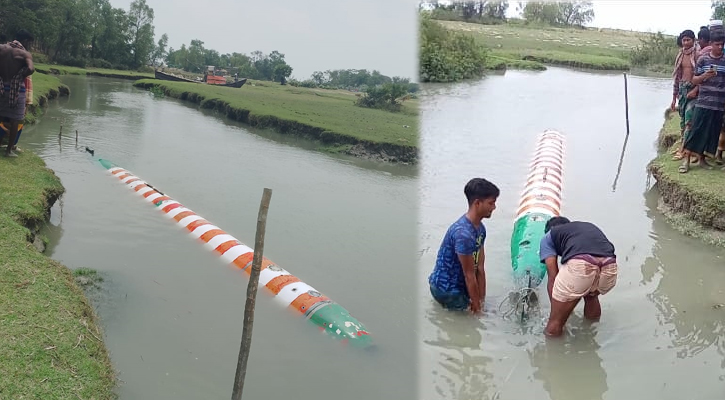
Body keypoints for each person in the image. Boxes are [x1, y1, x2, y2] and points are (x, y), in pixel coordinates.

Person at [428, 178, 499, 315]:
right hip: (446, 289)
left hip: (462, 283)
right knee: (475, 319)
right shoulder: (463, 234)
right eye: (491, 203)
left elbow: (480, 268)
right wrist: (478, 312)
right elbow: (469, 275)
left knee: (485, 311)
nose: (494, 207)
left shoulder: (480, 229)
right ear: (477, 203)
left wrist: (481, 303)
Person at [539, 217, 617, 337]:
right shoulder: (582, 229)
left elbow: (552, 277)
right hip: (609, 265)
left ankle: (553, 352)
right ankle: (590, 335)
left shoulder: (548, 236)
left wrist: (558, 310)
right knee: (591, 297)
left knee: (555, 323)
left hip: (581, 264)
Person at [679, 29, 725, 173]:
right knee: (696, 130)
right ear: (711, 44)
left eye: (722, 44)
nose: (720, 47)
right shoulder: (703, 60)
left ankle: (702, 159)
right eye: (717, 44)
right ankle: (686, 160)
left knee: (711, 132)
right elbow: (694, 79)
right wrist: (705, 75)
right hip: (704, 101)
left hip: (719, 104)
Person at [0, 33, 34, 157]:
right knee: (15, 119)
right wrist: (19, 76)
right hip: (17, 89)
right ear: (24, 41)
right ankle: (9, 150)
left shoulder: (2, 48)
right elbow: (31, 69)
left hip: (1, 86)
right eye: (29, 43)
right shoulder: (24, 54)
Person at [671, 30, 699, 161]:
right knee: (682, 120)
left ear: (694, 40)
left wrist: (696, 89)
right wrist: (673, 97)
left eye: (688, 40)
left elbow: (702, 76)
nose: (686, 42)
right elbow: (677, 77)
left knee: (689, 120)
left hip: (694, 90)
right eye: (684, 40)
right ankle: (683, 145)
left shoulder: (698, 55)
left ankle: (684, 149)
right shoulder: (680, 55)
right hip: (682, 90)